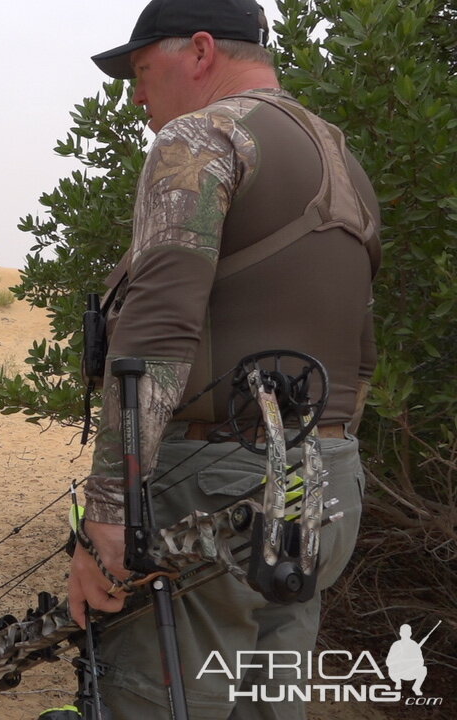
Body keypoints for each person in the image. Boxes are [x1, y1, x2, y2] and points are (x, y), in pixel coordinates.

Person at [66, 0, 381, 718]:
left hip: (215, 492)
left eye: (143, 72)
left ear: (201, 52)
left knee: (157, 693)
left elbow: (158, 330)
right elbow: (360, 359)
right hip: (324, 486)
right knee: (270, 700)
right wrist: (315, 462)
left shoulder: (201, 137)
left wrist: (110, 516)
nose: (137, 96)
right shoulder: (342, 157)